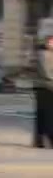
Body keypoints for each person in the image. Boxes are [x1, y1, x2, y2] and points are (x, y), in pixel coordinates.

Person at [35, 19, 53, 148]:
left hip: (49, 88)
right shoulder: (43, 55)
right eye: (51, 41)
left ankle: (41, 139)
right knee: (44, 115)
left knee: (46, 116)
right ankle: (41, 139)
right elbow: (46, 73)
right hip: (44, 88)